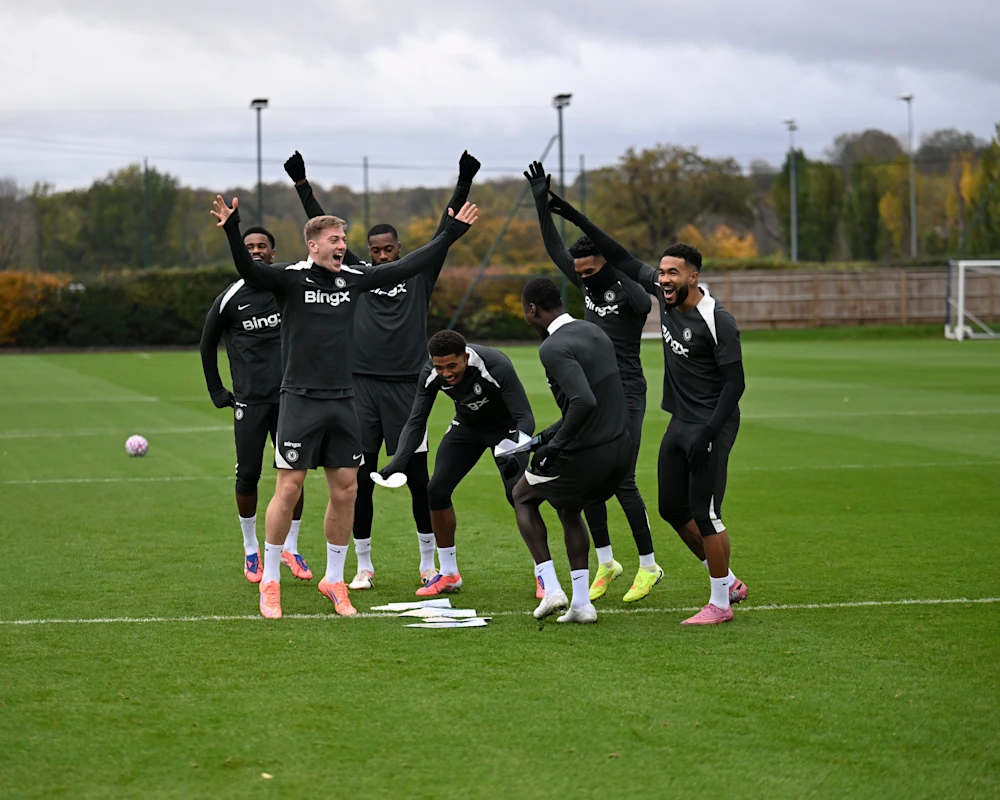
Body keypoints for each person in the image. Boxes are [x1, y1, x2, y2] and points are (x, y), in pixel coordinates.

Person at [210, 194, 478, 619]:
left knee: (347, 490)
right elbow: (249, 269)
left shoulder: (353, 277)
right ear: (313, 244)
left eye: (343, 239)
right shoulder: (291, 279)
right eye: (335, 239)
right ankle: (272, 581)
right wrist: (231, 229)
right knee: (289, 487)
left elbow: (406, 266)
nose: (342, 245)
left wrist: (450, 234)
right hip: (299, 399)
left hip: (344, 400)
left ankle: (334, 579)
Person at [547, 192, 748, 625]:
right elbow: (618, 254)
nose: (664, 279)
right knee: (671, 510)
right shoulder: (665, 294)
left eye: (673, 273)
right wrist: (573, 215)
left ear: (694, 276)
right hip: (681, 420)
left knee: (705, 513)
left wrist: (709, 434)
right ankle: (728, 579)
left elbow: (736, 384)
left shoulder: (717, 319)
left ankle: (721, 604)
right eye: (661, 272)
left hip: (712, 424)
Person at [283, 150, 480, 589]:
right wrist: (302, 186)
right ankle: (364, 566)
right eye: (376, 251)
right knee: (360, 478)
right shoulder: (355, 275)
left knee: (417, 478)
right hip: (361, 390)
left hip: (410, 388)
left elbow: (444, 232)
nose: (385, 256)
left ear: (399, 250)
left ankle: (428, 564)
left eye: (391, 249)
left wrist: (464, 179)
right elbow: (324, 230)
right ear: (367, 254)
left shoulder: (418, 276)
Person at [525, 161, 661, 604]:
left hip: (628, 395)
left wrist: (614, 267)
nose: (582, 276)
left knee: (622, 479)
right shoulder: (586, 283)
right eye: (578, 272)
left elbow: (636, 290)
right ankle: (606, 562)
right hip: (591, 392)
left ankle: (648, 565)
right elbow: (553, 248)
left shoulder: (628, 292)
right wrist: (540, 202)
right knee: (588, 479)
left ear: (604, 261)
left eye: (589, 270)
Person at [375, 330, 535, 596]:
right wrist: (398, 462)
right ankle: (449, 574)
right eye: (439, 367)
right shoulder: (430, 373)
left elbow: (525, 417)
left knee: (517, 494)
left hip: (506, 430)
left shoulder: (495, 365)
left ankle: (543, 573)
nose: (446, 373)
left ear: (466, 356)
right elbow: (416, 421)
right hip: (468, 428)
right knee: (436, 490)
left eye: (452, 365)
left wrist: (512, 452)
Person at [511, 278, 633, 624]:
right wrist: (544, 438)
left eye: (525, 312)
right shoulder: (593, 331)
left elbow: (583, 401)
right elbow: (592, 402)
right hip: (620, 452)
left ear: (533, 310)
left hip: (587, 453)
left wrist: (556, 447)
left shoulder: (552, 347)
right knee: (569, 507)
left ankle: (551, 589)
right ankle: (582, 605)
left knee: (522, 495)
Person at [199, 226, 310, 584]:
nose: (257, 251)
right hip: (249, 401)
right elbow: (206, 344)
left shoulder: (288, 288)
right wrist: (217, 390)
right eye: (250, 247)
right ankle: (250, 549)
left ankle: (291, 547)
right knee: (248, 474)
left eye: (263, 246)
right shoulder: (230, 297)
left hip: (290, 399)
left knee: (293, 476)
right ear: (241, 253)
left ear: (273, 253)